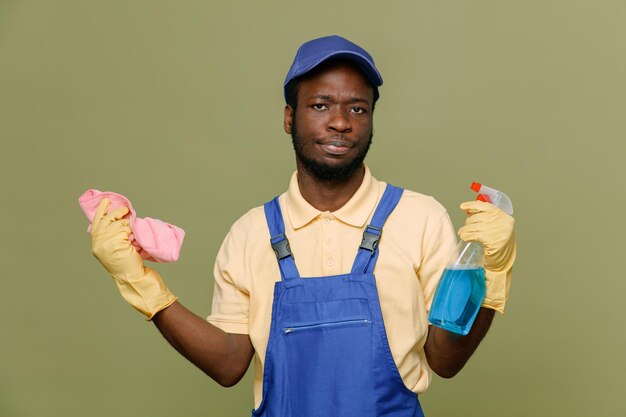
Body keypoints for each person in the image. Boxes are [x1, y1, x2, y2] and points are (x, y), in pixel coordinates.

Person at [90, 35, 516, 417]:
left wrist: (490, 273)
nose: (340, 122)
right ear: (289, 118)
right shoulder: (250, 233)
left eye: (357, 108)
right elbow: (227, 364)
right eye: (320, 105)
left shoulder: (420, 218)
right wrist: (142, 284)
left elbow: (445, 360)